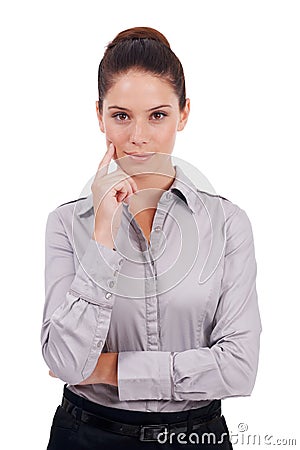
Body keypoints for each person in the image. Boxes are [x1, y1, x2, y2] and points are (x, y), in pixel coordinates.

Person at [41, 26, 262, 449]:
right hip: (87, 435)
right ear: (99, 115)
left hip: (197, 437)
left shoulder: (227, 223)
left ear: (184, 113)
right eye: (121, 115)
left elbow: (238, 368)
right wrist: (103, 234)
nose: (138, 135)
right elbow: (67, 362)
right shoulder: (67, 224)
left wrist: (110, 371)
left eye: (157, 115)